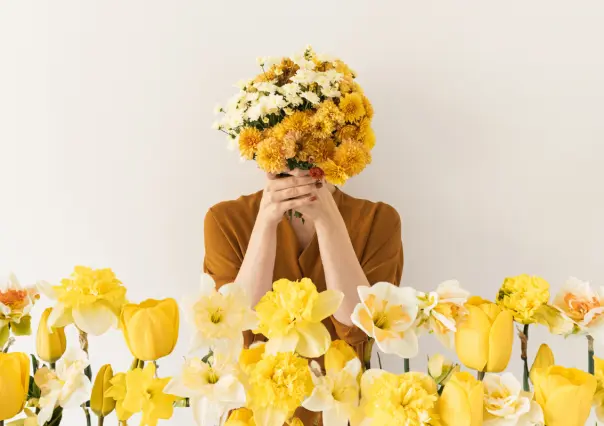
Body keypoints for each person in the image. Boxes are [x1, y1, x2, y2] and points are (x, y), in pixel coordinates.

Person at [203, 168, 403, 425]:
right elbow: (237, 327)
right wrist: (266, 223)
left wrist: (328, 222)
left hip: (343, 412)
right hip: (254, 414)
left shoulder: (379, 220)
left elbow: (360, 328)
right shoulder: (225, 220)